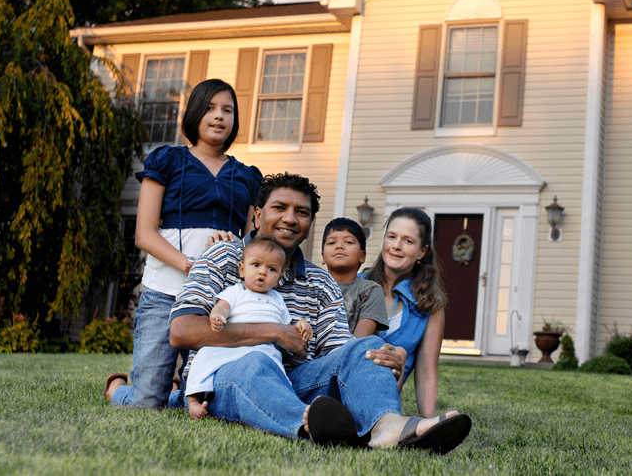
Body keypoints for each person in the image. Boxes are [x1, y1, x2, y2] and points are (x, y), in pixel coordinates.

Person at [168, 173, 471, 453]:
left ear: (309, 223)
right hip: (220, 379)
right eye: (280, 208)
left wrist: (381, 361)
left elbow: (342, 351)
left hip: (295, 380)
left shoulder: (320, 281)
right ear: (257, 215)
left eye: (301, 212)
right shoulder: (224, 255)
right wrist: (273, 332)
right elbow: (182, 331)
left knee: (366, 346)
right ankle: (308, 424)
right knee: (255, 361)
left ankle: (388, 426)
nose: (290, 218)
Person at [103, 79, 263, 409]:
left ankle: (176, 386)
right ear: (193, 113)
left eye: (227, 110)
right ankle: (117, 389)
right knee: (148, 403)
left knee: (203, 401)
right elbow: (144, 234)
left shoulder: (247, 176)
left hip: (217, 300)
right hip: (165, 290)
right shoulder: (167, 160)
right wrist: (193, 266)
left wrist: (231, 253)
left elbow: (253, 244)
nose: (219, 117)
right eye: (209, 108)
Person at [185, 235, 312, 420]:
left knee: (275, 375)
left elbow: (288, 327)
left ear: (279, 277)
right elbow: (223, 306)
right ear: (242, 270)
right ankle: (193, 400)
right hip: (230, 349)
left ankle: (292, 408)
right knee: (203, 359)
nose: (262, 273)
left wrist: (301, 325)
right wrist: (218, 315)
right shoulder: (236, 292)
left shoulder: (278, 300)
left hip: (264, 352)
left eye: (271, 269)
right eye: (256, 265)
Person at [364, 208, 447, 418]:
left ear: (422, 251)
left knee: (397, 353)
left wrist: (429, 422)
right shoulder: (357, 283)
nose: (396, 246)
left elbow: (427, 372)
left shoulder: (430, 305)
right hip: (346, 376)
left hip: (385, 394)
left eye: (408, 241)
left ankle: (381, 421)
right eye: (391, 237)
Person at [321, 218, 388, 337]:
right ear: (323, 256)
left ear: (362, 256)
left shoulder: (370, 290)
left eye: (348, 242)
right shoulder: (313, 286)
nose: (339, 246)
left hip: (351, 352)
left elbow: (358, 341)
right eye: (331, 242)